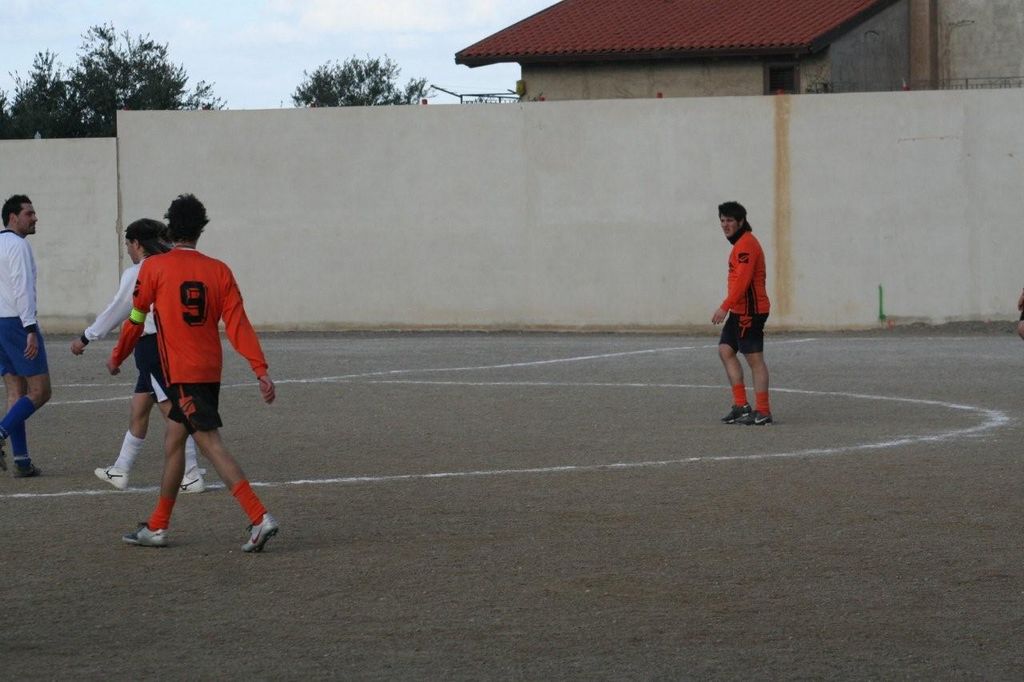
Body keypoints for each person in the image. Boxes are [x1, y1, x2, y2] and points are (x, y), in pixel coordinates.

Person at [108, 194, 278, 552]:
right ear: (201, 229)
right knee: (174, 442)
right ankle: (157, 526)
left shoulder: (154, 268)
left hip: (181, 374)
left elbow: (136, 318)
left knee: (210, 442)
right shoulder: (220, 270)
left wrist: (118, 354)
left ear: (170, 228)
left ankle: (259, 517)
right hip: (209, 370)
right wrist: (259, 368)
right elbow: (238, 324)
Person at [71, 218, 205, 493]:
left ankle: (191, 473)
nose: (129, 251)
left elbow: (119, 309)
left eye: (128, 245)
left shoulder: (139, 272)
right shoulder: (173, 265)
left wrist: (86, 337)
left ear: (137, 244)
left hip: (152, 347)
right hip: (170, 344)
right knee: (140, 407)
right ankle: (121, 469)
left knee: (172, 411)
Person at [0, 195, 51, 477]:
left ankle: (21, 461)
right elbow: (22, 287)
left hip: (0, 324)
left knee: (15, 392)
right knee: (41, 391)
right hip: (17, 323)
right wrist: (30, 328)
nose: (35, 218)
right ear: (13, 217)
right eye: (29, 214)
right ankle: (1, 432)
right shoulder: (18, 245)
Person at [711, 201, 773, 426]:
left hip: (751, 311)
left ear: (741, 221)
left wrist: (724, 306)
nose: (725, 224)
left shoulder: (747, 244)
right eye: (722, 220)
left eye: (729, 220)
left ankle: (763, 410)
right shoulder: (739, 244)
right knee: (725, 351)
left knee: (755, 360)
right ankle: (741, 406)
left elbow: (744, 281)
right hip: (739, 310)